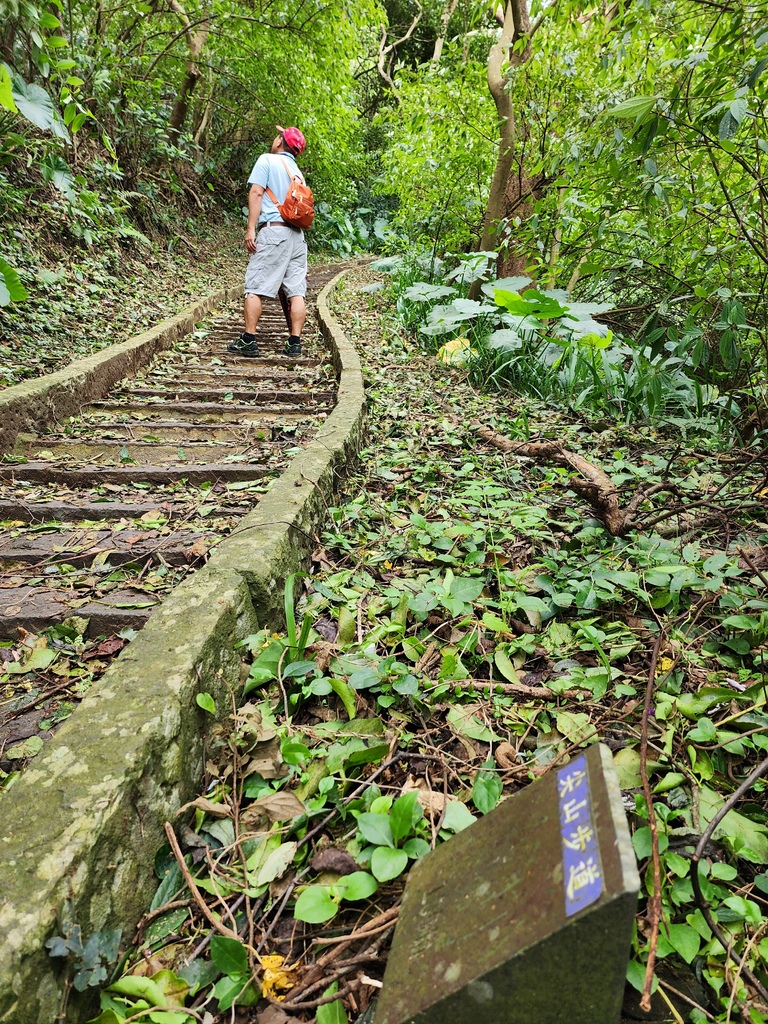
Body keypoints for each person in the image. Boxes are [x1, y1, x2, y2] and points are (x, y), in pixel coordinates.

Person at [228, 125, 309, 359]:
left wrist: (250, 228)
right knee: (296, 291)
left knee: (255, 285)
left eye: (278, 135)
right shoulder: (297, 172)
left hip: (275, 232)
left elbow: (256, 193)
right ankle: (294, 343)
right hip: (297, 238)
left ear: (280, 142)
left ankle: (249, 340)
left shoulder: (267, 160)